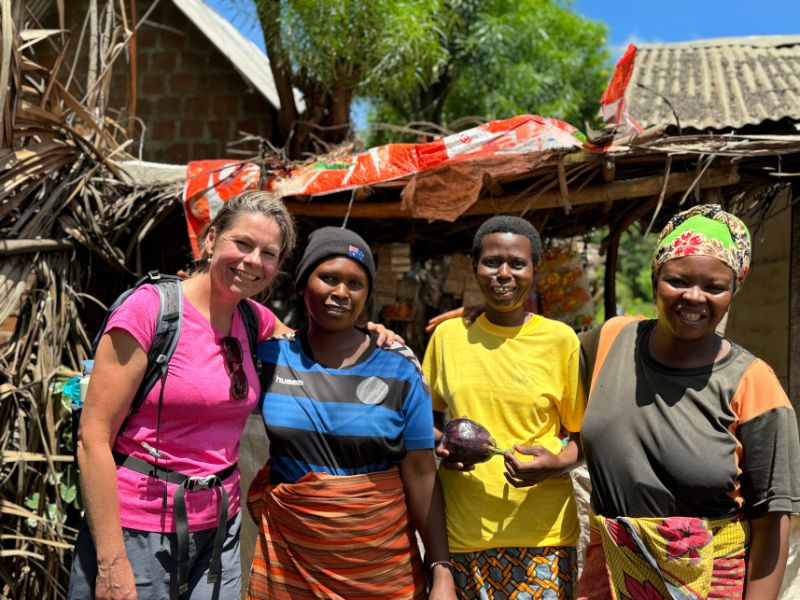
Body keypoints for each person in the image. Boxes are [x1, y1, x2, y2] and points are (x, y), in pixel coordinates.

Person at [68, 192, 395, 600]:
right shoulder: (150, 311)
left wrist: (368, 333)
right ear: (210, 241)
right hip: (138, 530)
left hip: (219, 532)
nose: (253, 261)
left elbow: (316, 349)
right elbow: (92, 438)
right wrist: (112, 563)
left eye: (268, 253)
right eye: (242, 243)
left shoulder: (253, 320)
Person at [575, 204, 800, 600]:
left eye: (715, 287)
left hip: (707, 585)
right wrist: (486, 315)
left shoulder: (753, 384)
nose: (694, 297)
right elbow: (549, 371)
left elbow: (772, 526)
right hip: (608, 579)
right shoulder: (611, 340)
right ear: (655, 277)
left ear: (733, 291)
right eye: (677, 280)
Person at [247, 227, 456, 600]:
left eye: (355, 284)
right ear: (301, 285)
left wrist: (441, 569)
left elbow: (422, 473)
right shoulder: (268, 359)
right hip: (291, 563)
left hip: (382, 567)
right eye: (328, 278)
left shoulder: (400, 369)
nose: (341, 293)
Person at [422, 215, 586, 599]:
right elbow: (418, 421)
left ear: (535, 269)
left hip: (543, 535)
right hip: (463, 532)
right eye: (492, 262)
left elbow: (583, 437)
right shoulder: (449, 337)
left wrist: (556, 464)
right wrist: (440, 445)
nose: (504, 274)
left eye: (517, 263)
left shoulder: (560, 340)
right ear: (474, 265)